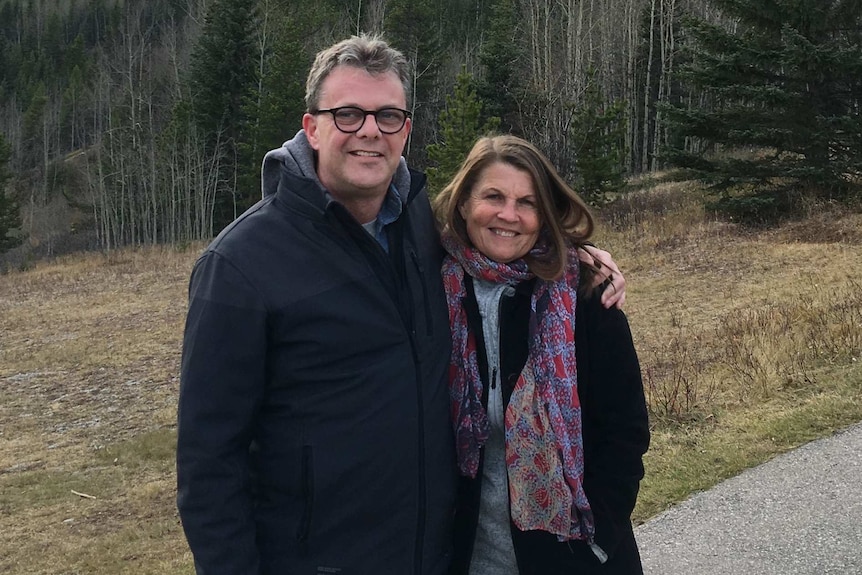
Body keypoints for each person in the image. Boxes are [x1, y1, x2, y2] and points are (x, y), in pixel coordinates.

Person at [176, 34, 627, 575]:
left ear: (405, 131)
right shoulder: (240, 266)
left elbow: (498, 239)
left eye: (387, 116)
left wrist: (575, 258)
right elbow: (209, 464)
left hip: (436, 555)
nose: (369, 130)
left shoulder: (421, 229)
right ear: (311, 127)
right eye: (347, 114)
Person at [433, 135, 649, 575]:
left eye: (527, 203)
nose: (509, 215)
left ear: (544, 214)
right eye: (493, 196)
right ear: (462, 204)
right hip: (467, 554)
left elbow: (624, 430)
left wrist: (600, 532)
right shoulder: (431, 289)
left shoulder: (585, 292)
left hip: (575, 553)